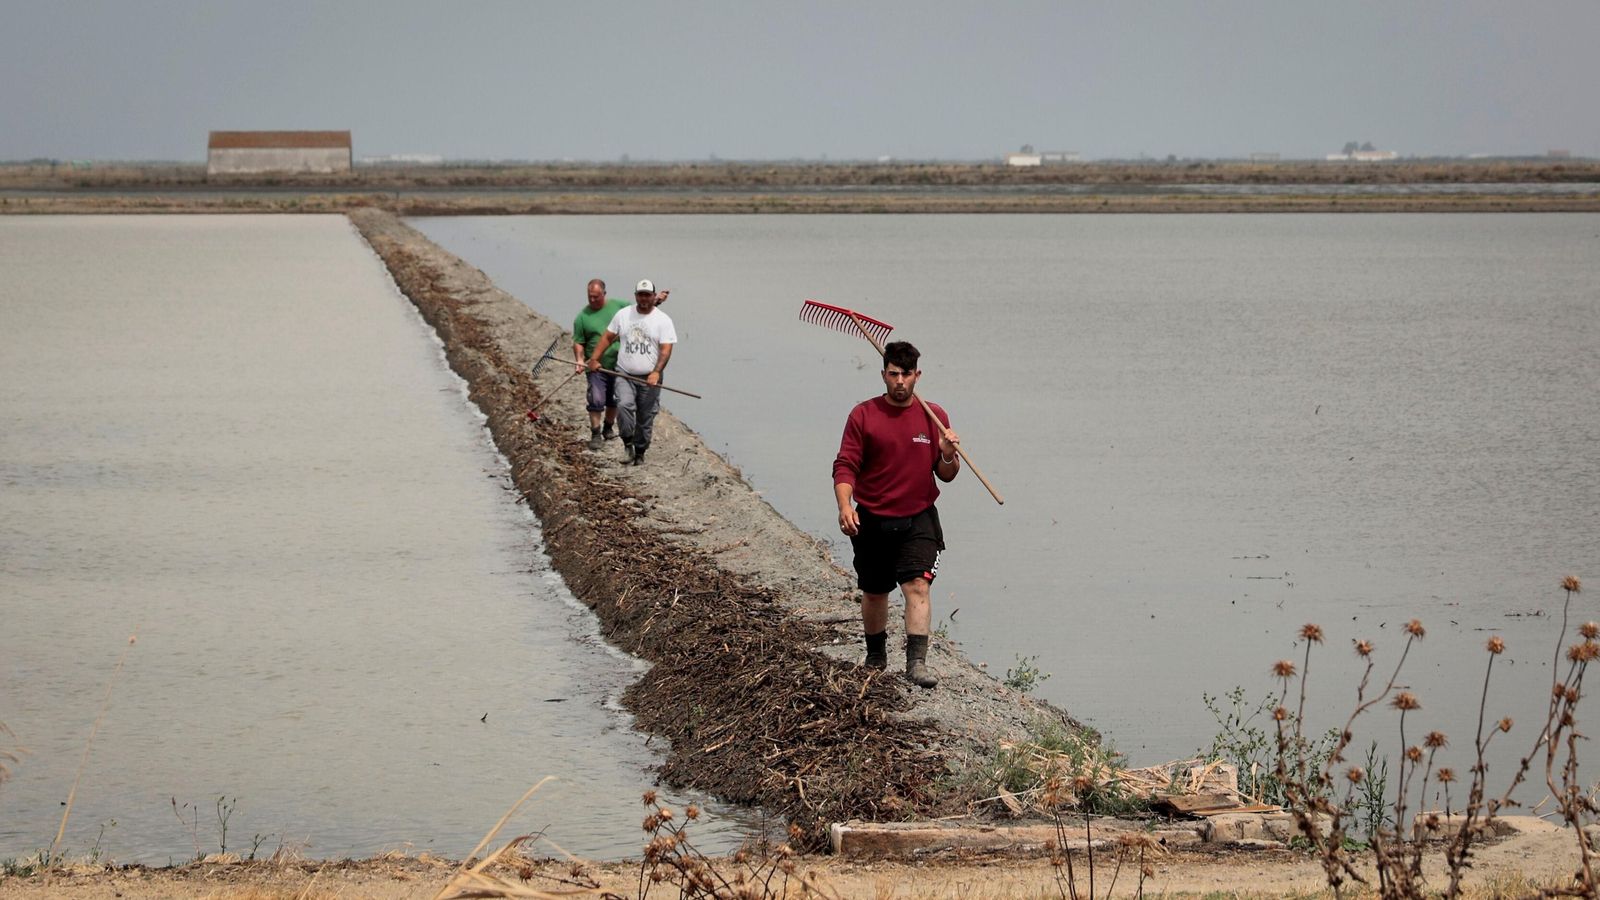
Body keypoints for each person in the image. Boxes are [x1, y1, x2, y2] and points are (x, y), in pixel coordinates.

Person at [832, 341, 960, 688]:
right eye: (893, 374)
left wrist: (947, 453)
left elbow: (947, 474)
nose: (900, 381)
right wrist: (845, 506)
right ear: (884, 374)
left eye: (906, 374)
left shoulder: (934, 416)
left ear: (917, 375)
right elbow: (845, 466)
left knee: (917, 586)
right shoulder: (864, 415)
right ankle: (875, 657)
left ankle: (916, 663)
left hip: (918, 517)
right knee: (875, 592)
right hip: (871, 517)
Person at [588, 280, 676, 466]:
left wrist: (656, 372)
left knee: (645, 416)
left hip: (650, 377)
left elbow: (666, 350)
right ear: (635, 296)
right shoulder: (623, 315)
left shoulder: (663, 320)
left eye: (647, 295)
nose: (643, 299)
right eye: (640, 295)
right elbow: (608, 337)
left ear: (653, 296)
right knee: (625, 406)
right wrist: (595, 359)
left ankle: (640, 452)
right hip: (624, 373)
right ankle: (628, 443)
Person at [572, 279, 629, 450]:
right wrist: (580, 360)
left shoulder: (619, 306)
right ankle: (595, 433)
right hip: (596, 366)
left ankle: (608, 427)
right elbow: (578, 342)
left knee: (614, 399)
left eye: (596, 297)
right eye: (590, 297)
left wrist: (656, 301)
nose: (593, 300)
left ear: (604, 294)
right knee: (596, 398)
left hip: (619, 364)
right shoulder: (582, 317)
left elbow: (640, 310)